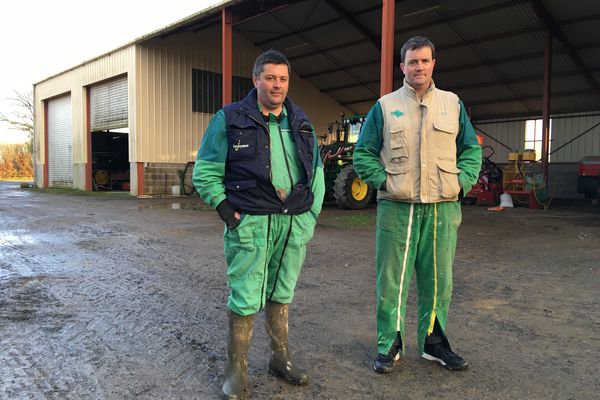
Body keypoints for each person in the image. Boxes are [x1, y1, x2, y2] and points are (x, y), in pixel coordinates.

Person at [193, 50, 325, 399]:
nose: (277, 85)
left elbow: (317, 174)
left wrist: (310, 218)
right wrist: (225, 210)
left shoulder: (301, 122)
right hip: (250, 223)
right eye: (270, 77)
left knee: (283, 291)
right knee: (246, 293)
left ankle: (279, 360)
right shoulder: (230, 118)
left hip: (292, 224)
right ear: (256, 80)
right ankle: (235, 372)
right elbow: (205, 171)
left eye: (282, 78)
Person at [353, 36, 482, 373]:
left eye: (424, 61)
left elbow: (471, 149)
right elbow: (363, 153)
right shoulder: (384, 106)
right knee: (392, 280)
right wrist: (384, 182)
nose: (419, 67)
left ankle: (433, 343)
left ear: (433, 64)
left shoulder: (452, 104)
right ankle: (389, 346)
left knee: (439, 281)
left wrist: (462, 182)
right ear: (402, 67)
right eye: (412, 62)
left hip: (442, 207)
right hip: (398, 209)